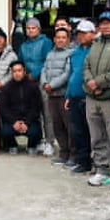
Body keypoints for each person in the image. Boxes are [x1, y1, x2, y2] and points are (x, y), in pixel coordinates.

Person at [83, 11, 110, 192]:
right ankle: (101, 169)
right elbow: (86, 66)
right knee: (96, 136)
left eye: (109, 23)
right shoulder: (95, 44)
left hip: (109, 98)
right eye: (103, 23)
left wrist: (99, 82)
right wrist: (90, 82)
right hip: (91, 97)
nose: (106, 26)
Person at [18, 18, 54, 156]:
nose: (30, 30)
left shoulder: (46, 42)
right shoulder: (23, 46)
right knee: (34, 112)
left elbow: (47, 61)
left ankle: (50, 142)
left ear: (39, 29)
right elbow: (20, 62)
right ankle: (38, 140)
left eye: (33, 28)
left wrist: (35, 74)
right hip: (28, 83)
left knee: (47, 112)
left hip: (42, 81)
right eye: (28, 28)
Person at [65, 20, 94, 174]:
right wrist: (68, 96)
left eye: (84, 33)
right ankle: (83, 162)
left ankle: (97, 163)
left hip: (89, 97)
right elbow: (73, 75)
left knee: (93, 133)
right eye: (79, 33)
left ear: (93, 33)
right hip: (75, 97)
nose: (81, 36)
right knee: (78, 132)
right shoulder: (75, 53)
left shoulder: (95, 51)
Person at [41, 27, 74, 165]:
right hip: (51, 95)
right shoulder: (50, 54)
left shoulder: (71, 54)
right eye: (58, 37)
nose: (60, 40)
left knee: (69, 126)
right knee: (57, 125)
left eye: (63, 37)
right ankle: (63, 153)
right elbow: (44, 70)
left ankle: (73, 155)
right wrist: (44, 84)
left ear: (68, 39)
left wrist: (52, 85)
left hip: (63, 95)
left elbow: (67, 74)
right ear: (54, 39)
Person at [0, 61, 43, 154]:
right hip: (13, 121)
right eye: (14, 71)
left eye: (19, 71)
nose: (17, 73)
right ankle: (13, 145)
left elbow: (37, 107)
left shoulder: (33, 86)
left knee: (35, 132)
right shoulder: (6, 88)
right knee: (5, 131)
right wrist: (14, 122)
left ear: (24, 71)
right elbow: (4, 108)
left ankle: (32, 146)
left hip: (30, 121)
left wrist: (26, 122)